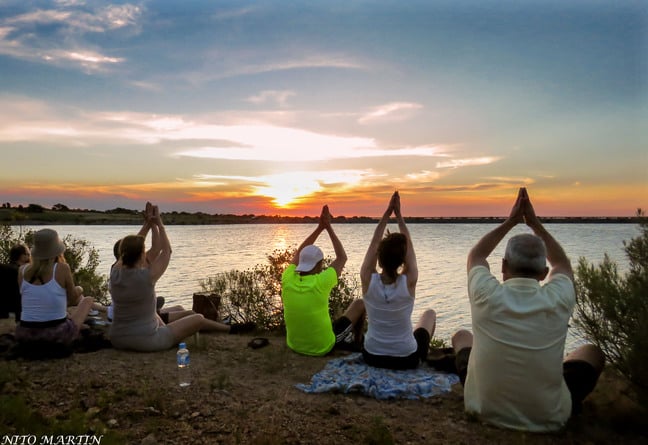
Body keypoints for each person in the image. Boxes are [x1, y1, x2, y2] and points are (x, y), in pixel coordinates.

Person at [452, 187, 605, 432]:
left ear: (503, 266)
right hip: (549, 418)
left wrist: (510, 222)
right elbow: (562, 264)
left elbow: (477, 255)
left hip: (482, 410)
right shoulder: (558, 297)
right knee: (592, 352)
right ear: (544, 274)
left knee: (461, 337)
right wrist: (535, 224)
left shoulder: (486, 294)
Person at [109, 203, 251, 352]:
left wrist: (148, 224)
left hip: (117, 339)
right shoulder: (147, 276)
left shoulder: (115, 273)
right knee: (198, 319)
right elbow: (166, 251)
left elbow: (130, 249)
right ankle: (231, 330)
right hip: (147, 341)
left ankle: (226, 328)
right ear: (141, 254)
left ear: (122, 255)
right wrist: (159, 223)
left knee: (154, 315)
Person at [360, 191, 436, 370]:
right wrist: (399, 216)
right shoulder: (409, 281)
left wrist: (387, 214)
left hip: (372, 356)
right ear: (402, 261)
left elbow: (374, 242)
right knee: (429, 315)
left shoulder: (367, 279)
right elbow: (409, 247)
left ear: (379, 259)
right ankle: (426, 358)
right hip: (405, 359)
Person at [281, 205, 365, 356]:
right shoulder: (321, 282)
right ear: (320, 264)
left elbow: (298, 253)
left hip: (294, 345)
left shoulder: (288, 277)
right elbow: (342, 258)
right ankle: (357, 341)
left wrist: (320, 228)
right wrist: (328, 227)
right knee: (360, 304)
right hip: (322, 347)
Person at [15, 229, 94, 349]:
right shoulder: (62, 268)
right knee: (88, 300)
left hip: (25, 334)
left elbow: (28, 297)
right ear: (56, 250)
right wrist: (80, 289)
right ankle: (74, 326)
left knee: (61, 312)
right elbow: (72, 299)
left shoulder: (22, 270)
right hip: (56, 336)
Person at [0, 243, 31, 321]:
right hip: (18, 314)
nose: (29, 256)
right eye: (27, 254)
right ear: (21, 256)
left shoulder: (3, 268)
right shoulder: (23, 272)